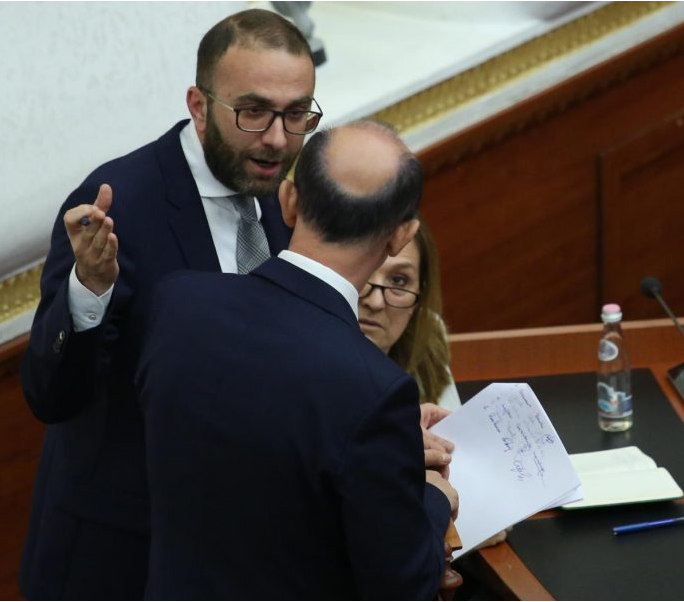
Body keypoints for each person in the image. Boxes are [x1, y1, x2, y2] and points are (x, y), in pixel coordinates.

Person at [19, 9, 318, 599]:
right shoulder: (118, 205)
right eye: (253, 112)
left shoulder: (287, 195)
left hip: (241, 550)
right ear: (199, 105)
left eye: (296, 113)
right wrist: (89, 290)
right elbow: (50, 395)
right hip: (120, 559)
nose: (278, 138)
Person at [136, 120, 459, 599]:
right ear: (399, 236)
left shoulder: (178, 302)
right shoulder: (372, 390)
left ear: (288, 201)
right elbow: (402, 584)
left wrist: (385, 447)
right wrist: (432, 495)